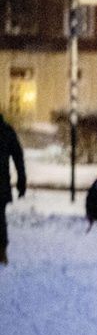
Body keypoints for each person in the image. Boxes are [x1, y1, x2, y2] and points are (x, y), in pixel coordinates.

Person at [1, 112, 25, 266]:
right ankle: (1, 251)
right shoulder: (6, 131)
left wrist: (22, 180)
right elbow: (18, 157)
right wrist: (22, 180)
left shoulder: (6, 131)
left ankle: (1, 250)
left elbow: (17, 156)